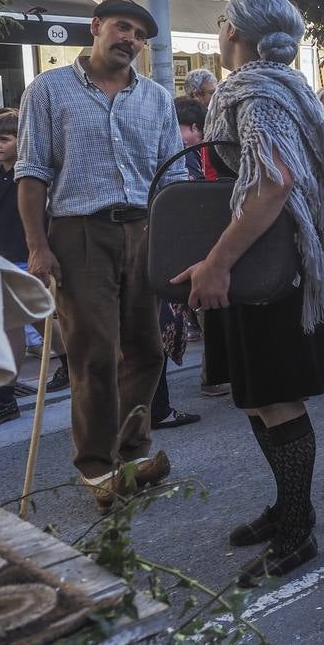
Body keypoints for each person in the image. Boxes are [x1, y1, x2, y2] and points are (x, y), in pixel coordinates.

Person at [171, 0, 324, 585]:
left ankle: (298, 526)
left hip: (266, 268)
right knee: (257, 395)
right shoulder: (279, 84)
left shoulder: (256, 91)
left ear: (233, 33)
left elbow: (273, 182)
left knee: (276, 398)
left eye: (222, 20)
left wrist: (217, 263)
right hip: (265, 263)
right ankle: (285, 507)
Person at [15, 0, 181, 511]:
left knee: (147, 350)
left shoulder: (155, 97)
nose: (129, 38)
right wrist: (37, 246)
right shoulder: (49, 89)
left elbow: (171, 176)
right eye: (121, 27)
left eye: (139, 34)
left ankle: (131, 452)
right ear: (96, 28)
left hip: (142, 230)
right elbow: (32, 172)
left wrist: (173, 243)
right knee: (95, 352)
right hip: (78, 232)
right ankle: (96, 467)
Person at [0, 109, 68, 427]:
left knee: (13, 325)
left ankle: (5, 399)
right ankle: (69, 364)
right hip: (2, 257)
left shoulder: (28, 175)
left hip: (26, 255)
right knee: (40, 318)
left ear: (24, 140)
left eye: (5, 139)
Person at [148, 97, 209, 431]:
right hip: (160, 254)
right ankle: (156, 409)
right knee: (153, 332)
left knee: (153, 331)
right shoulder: (177, 159)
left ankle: (154, 407)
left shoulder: (186, 158)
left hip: (163, 253)